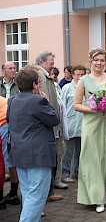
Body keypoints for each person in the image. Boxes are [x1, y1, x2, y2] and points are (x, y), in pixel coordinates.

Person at [74, 48, 106, 213]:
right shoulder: (84, 80)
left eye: (102, 60)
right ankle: (95, 197)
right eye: (96, 60)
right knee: (91, 159)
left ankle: (99, 193)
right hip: (91, 124)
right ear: (90, 61)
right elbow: (76, 105)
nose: (99, 63)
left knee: (104, 158)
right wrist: (92, 109)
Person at [6, 66, 60, 221]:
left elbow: (10, 120)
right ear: (35, 84)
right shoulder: (39, 100)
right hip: (37, 154)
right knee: (37, 195)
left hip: (19, 153)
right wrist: (48, 103)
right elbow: (54, 119)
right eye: (39, 82)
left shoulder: (13, 99)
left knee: (29, 193)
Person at [35, 51, 63, 202]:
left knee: (54, 157)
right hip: (48, 125)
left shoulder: (48, 77)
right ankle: (48, 192)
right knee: (51, 159)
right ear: (41, 62)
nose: (53, 66)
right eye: (50, 63)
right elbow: (45, 102)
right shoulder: (42, 77)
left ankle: (49, 190)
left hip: (52, 124)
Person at [61, 65, 86, 182]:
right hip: (70, 123)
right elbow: (62, 106)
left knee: (80, 150)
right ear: (73, 75)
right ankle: (65, 173)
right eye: (78, 75)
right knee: (68, 150)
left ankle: (76, 172)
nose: (80, 77)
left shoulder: (86, 87)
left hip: (82, 123)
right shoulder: (67, 88)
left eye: (82, 74)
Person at [0, 62, 20, 206]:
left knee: (13, 159)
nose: (14, 70)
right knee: (2, 160)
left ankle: (13, 194)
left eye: (15, 68)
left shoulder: (19, 85)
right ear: (3, 71)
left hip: (15, 124)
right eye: (10, 68)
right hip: (1, 124)